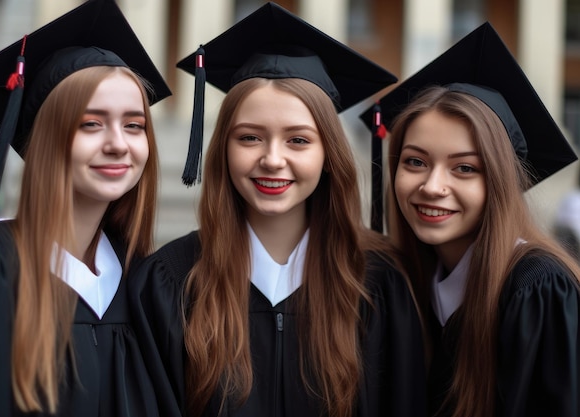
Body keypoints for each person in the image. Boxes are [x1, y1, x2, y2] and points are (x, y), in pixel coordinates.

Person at [130, 3, 426, 417]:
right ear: (223, 150)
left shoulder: (377, 282)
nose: (272, 159)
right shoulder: (170, 282)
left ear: (329, 155)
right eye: (250, 138)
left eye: (298, 140)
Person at [0, 0, 176, 416]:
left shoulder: (140, 279)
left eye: (134, 125)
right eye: (90, 124)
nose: (118, 143)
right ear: (46, 139)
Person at [370, 22, 580, 417]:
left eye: (464, 168)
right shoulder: (410, 284)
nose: (432, 186)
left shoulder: (536, 289)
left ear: (500, 181)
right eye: (415, 162)